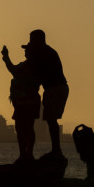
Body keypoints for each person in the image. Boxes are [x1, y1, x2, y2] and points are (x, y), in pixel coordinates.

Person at [24, 29, 69, 159]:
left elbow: (36, 76)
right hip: (56, 88)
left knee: (51, 119)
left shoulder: (43, 53)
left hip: (55, 88)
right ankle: (56, 149)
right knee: (51, 119)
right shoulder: (46, 52)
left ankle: (56, 150)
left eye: (32, 41)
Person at [1, 43, 40, 164]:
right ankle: (24, 154)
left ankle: (28, 154)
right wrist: (6, 57)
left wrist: (6, 58)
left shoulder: (35, 66)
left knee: (27, 127)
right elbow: (13, 69)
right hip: (21, 102)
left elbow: (15, 71)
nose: (25, 52)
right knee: (20, 128)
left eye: (27, 50)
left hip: (28, 102)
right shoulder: (24, 65)